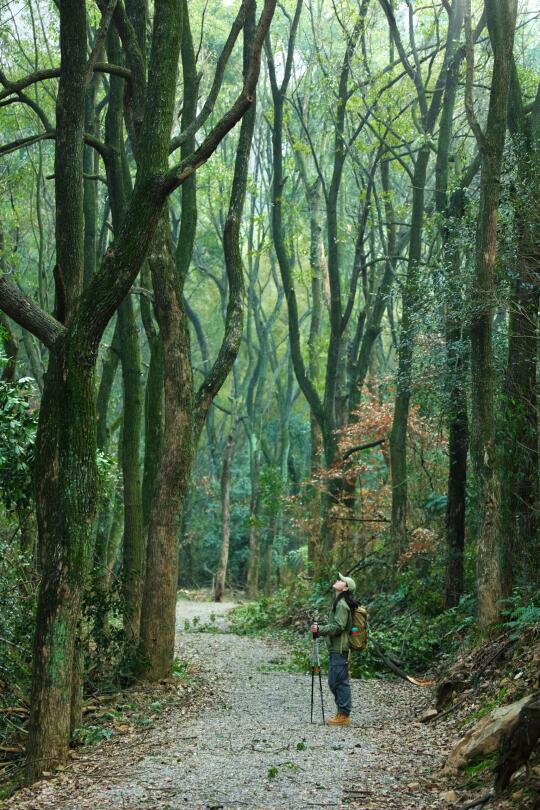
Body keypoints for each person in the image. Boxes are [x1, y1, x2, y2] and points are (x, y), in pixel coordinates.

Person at [310, 573, 357, 726]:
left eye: (340, 580)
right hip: (336, 648)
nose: (337, 580)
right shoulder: (340, 602)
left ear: (345, 588)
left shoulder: (342, 605)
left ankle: (344, 716)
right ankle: (341, 713)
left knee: (339, 681)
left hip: (340, 648)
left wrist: (320, 629)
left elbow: (338, 627)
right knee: (334, 681)